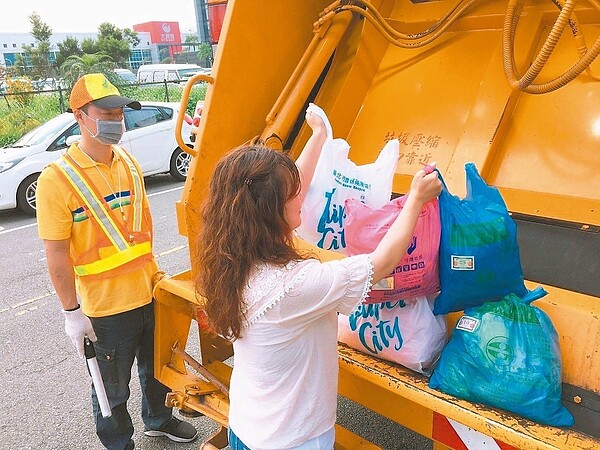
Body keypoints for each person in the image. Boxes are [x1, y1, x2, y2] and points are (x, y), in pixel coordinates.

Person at [195, 106, 442, 449]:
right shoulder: (293, 286)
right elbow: (382, 263)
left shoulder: (230, 259)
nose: (304, 196)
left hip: (247, 427)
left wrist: (319, 137)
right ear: (270, 211)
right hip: (293, 441)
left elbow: (285, 188)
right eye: (292, 195)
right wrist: (415, 199)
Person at [36, 73, 198, 450]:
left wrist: (158, 280)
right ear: (80, 116)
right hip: (105, 309)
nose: (116, 119)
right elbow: (56, 253)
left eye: (120, 111)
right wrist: (71, 313)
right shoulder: (56, 179)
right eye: (105, 112)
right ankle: (118, 442)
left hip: (149, 292)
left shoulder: (127, 162)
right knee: (111, 385)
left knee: (157, 369)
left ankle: (158, 420)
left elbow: (139, 234)